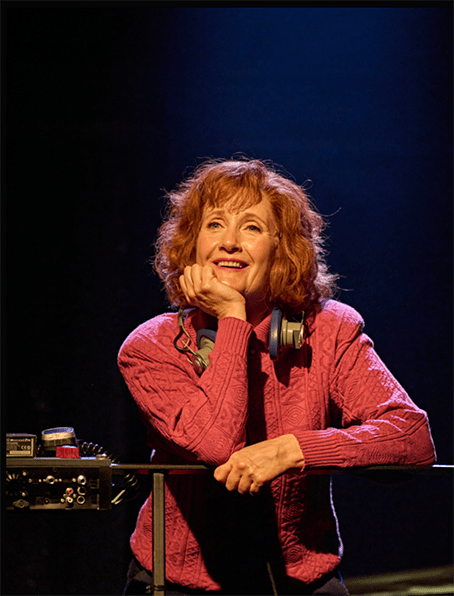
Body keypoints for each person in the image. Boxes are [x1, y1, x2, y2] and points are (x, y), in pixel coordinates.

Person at [118, 158, 436, 596]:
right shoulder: (152, 345)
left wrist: (295, 449)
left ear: (282, 248)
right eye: (214, 225)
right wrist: (232, 317)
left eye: (251, 227)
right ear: (192, 244)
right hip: (178, 583)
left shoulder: (331, 329)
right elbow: (216, 446)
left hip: (302, 581)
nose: (229, 242)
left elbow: (412, 438)